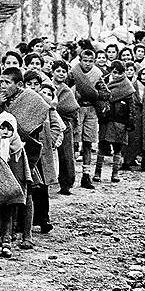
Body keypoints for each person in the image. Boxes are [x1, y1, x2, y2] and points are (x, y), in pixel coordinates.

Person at [0, 67, 49, 250]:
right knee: (1, 191)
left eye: (7, 82)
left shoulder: (31, 98)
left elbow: (37, 123)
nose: (2, 86)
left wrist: (19, 135)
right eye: (1, 82)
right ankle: (3, 231)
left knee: (26, 191)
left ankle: (27, 235)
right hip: (2, 152)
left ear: (19, 84)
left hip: (25, 151)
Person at [0, 112, 27, 258]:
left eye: (8, 128)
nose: (5, 131)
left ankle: (7, 241)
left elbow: (22, 168)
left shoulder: (18, 146)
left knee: (8, 215)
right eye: (1, 128)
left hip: (11, 187)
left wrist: (20, 186)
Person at [24, 71, 62, 234]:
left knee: (42, 187)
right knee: (27, 185)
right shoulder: (21, 104)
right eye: (29, 84)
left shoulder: (46, 105)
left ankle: (43, 219)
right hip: (26, 149)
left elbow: (57, 126)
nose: (33, 88)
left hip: (41, 152)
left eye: (36, 85)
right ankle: (25, 220)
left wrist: (49, 140)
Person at [68, 49, 110, 189]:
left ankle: (86, 176)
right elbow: (65, 89)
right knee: (74, 142)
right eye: (85, 61)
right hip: (76, 109)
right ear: (80, 61)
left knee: (88, 142)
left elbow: (106, 93)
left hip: (91, 110)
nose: (87, 64)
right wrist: (75, 93)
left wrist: (93, 93)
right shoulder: (73, 74)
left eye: (90, 61)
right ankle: (70, 175)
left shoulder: (97, 74)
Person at [52, 60, 79, 195]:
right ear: (53, 72)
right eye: (58, 71)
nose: (61, 74)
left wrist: (55, 107)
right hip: (50, 123)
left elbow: (72, 107)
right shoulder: (48, 86)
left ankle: (66, 183)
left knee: (66, 154)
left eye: (64, 71)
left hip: (64, 123)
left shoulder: (66, 90)